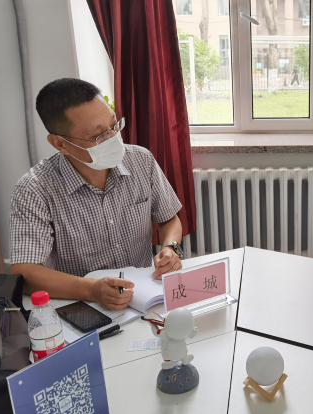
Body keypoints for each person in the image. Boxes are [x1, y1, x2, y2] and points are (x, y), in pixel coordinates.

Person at [10, 78, 185, 310]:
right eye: (98, 135)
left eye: (114, 125)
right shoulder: (34, 189)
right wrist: (91, 289)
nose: (113, 139)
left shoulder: (141, 161)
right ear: (60, 144)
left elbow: (168, 218)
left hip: (145, 295)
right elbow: (25, 272)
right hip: (81, 304)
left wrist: (170, 248)